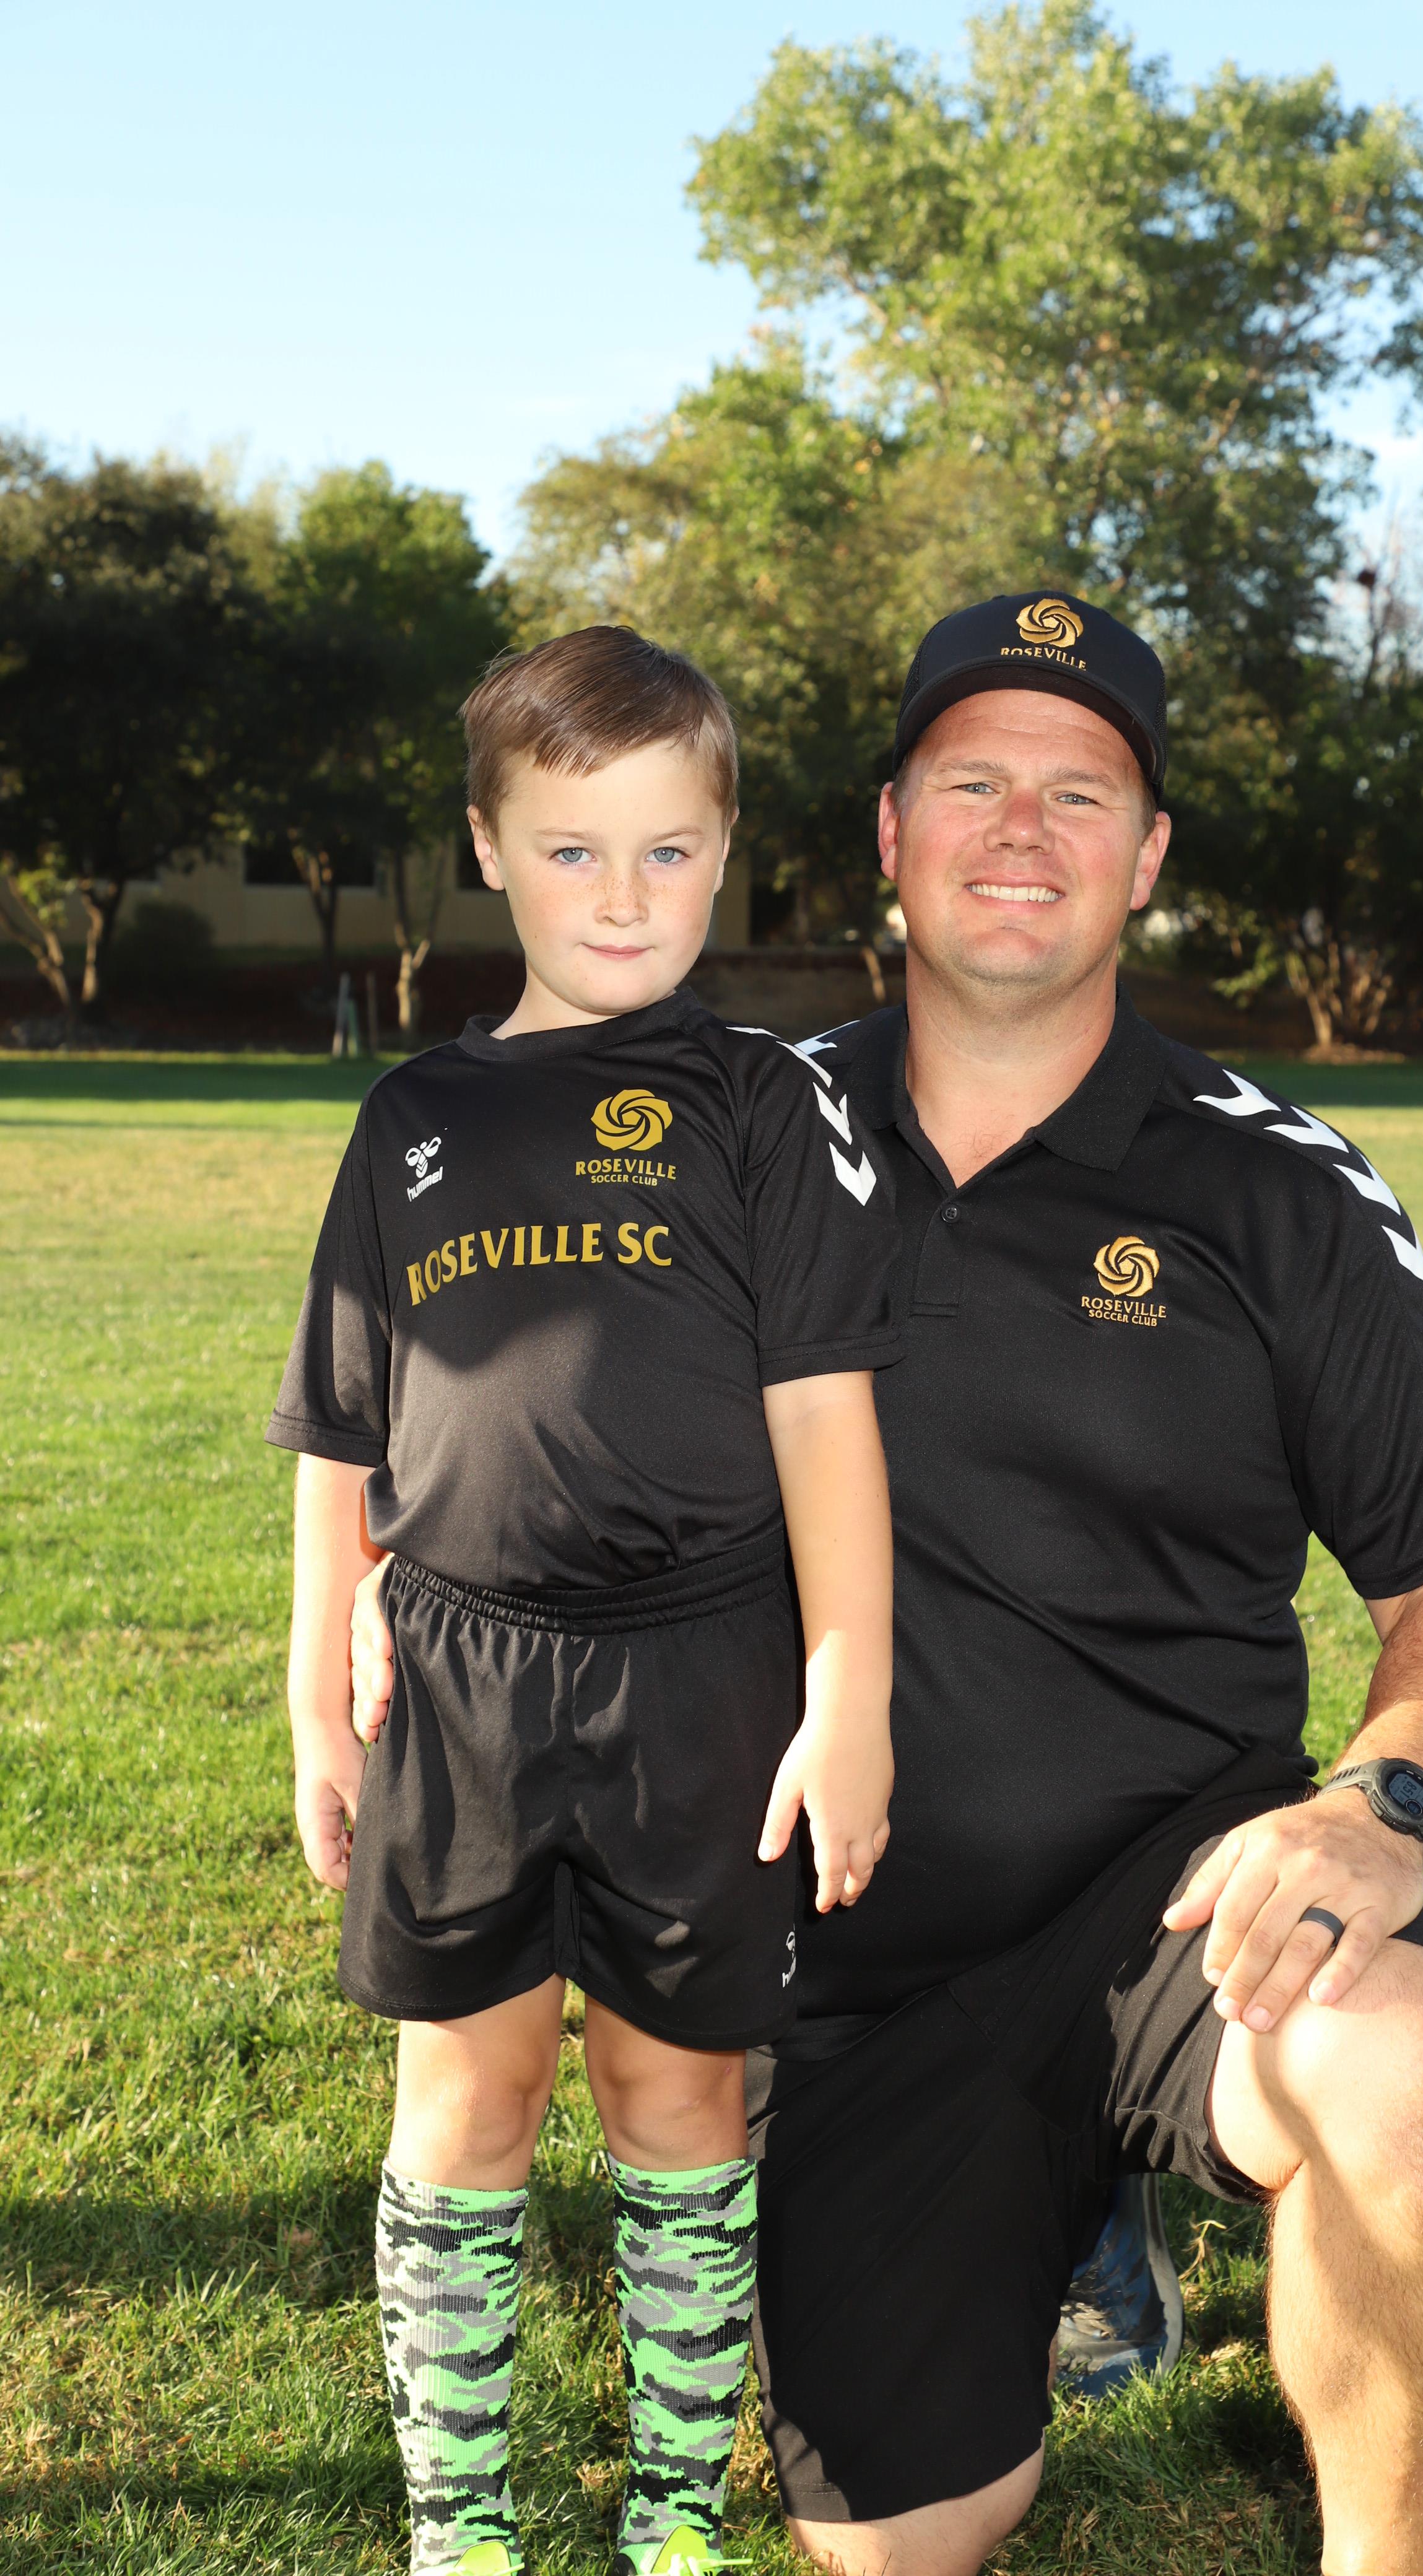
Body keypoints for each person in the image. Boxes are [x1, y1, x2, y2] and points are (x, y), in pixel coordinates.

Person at [356, 593, 1423, 2576]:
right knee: (902, 2543)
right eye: (973, 782)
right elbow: (502, 1382)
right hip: (848, 1960)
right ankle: (1070, 2218)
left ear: (1146, 859)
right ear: (892, 834)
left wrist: (1379, 1806)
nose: (1022, 829)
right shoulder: (730, 1130)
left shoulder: (1278, 1189)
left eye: (1081, 793)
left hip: (1179, 1896)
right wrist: (409, 1569)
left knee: (1406, 2073)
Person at [272, 627, 900, 2576]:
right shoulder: (412, 1118)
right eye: (570, 849)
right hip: (455, 1680)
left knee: (672, 2086)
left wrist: (850, 1689)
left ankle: (673, 2518)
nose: (622, 895)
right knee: (470, 2092)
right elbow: (341, 1441)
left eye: (667, 850)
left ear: (724, 855)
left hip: (702, 1677)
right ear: (487, 847)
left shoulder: (762, 1105)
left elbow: (826, 1420)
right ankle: (459, 2522)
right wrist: (312, 1702)